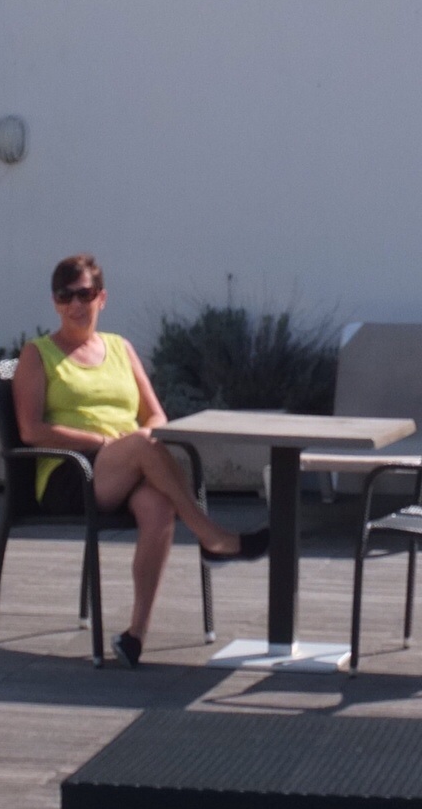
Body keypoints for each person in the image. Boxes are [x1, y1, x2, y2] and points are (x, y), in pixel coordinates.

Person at [14, 254, 265, 668]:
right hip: (70, 471)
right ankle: (212, 537)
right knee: (142, 445)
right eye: (65, 296)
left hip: (127, 463)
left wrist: (138, 440)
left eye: (85, 294)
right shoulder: (37, 354)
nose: (76, 304)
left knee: (159, 505)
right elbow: (31, 430)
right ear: (55, 302)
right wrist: (102, 440)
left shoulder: (120, 348)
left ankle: (135, 635)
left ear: (102, 298)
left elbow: (156, 416)